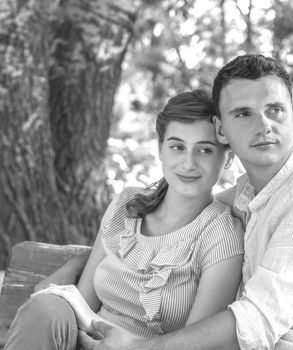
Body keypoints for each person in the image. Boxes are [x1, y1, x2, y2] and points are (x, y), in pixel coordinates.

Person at [43, 54, 293, 350]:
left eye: (275, 110)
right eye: (243, 113)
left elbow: (257, 320)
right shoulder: (249, 194)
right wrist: (74, 274)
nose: (264, 126)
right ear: (222, 129)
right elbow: (165, 217)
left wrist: (139, 347)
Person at [3, 89, 244, 349]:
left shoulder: (222, 234)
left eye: (205, 150)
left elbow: (196, 344)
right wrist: (62, 281)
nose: (188, 163)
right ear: (160, 149)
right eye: (177, 147)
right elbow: (82, 305)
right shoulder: (128, 204)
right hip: (84, 341)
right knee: (46, 308)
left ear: (228, 157)